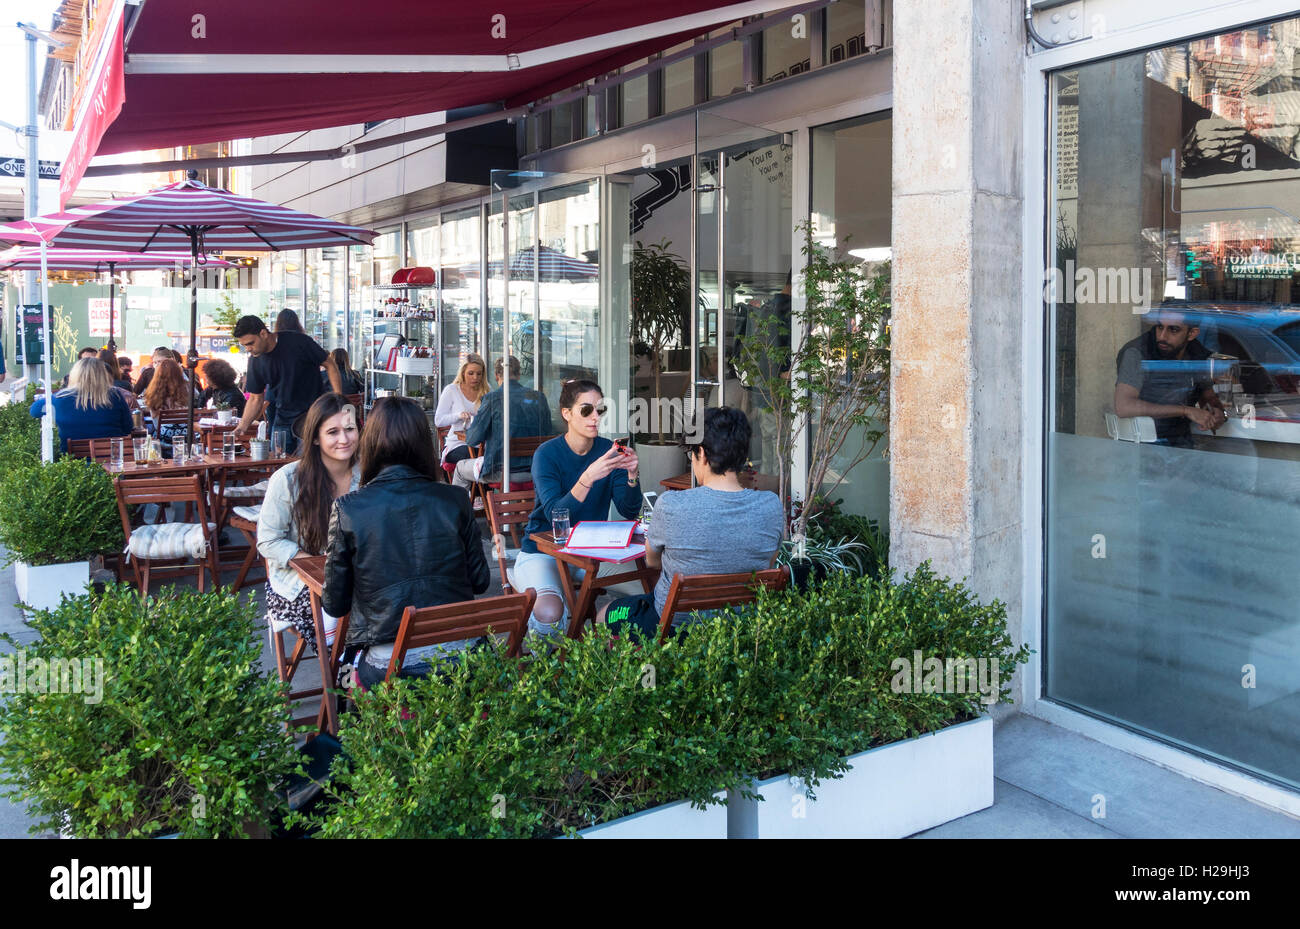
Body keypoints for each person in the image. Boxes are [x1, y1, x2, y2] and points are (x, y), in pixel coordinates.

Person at [321, 397, 490, 690]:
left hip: (389, 663)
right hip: (465, 655)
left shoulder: (349, 509)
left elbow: (335, 604)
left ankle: (355, 729)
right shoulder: (455, 499)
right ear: (424, 443)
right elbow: (480, 581)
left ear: (370, 444)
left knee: (345, 673)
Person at [599, 406, 784, 639]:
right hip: (738, 628)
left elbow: (652, 562)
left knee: (604, 614)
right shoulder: (770, 505)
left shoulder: (671, 505)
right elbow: (769, 561)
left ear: (702, 454)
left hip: (672, 625)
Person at [514, 379, 642, 636]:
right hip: (544, 551)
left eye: (600, 410)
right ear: (567, 413)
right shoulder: (546, 453)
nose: (595, 417)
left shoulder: (608, 449)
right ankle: (549, 670)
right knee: (549, 611)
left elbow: (629, 511)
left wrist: (632, 476)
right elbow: (554, 514)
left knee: (650, 589)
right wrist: (587, 478)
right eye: (586, 410)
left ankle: (607, 630)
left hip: (592, 552)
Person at [257, 393, 361, 650]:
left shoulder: (369, 475)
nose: (344, 439)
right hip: (297, 583)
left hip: (359, 578)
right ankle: (348, 677)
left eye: (350, 429)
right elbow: (268, 540)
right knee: (351, 617)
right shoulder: (288, 479)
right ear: (315, 437)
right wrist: (310, 563)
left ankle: (367, 673)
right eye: (333, 432)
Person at [1113, 308, 1226, 447]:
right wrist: (1186, 411)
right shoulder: (1138, 352)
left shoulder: (1196, 353)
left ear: (1192, 333)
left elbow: (1208, 396)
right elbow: (1124, 407)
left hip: (1181, 442)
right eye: (1160, 327)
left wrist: (1217, 411)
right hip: (1141, 444)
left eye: (1173, 330)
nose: (1162, 336)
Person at [232, 315, 341, 454]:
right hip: (282, 418)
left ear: (263, 334)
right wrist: (241, 427)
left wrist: (338, 397)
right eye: (244, 345)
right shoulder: (255, 361)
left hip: (312, 415)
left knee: (309, 465)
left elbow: (329, 364)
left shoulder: (298, 341)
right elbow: (255, 398)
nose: (248, 349)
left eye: (250, 343)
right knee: (279, 465)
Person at [454, 355, 551, 492]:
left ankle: (461, 513)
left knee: (459, 468)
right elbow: (547, 432)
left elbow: (472, 439)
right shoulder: (539, 398)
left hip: (501, 470)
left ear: (496, 375)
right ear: (519, 374)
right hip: (536, 469)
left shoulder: (492, 399)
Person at [29, 357, 132, 454]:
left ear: (74, 375)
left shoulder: (59, 398)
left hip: (74, 463)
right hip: (113, 460)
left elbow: (34, 411)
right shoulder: (115, 396)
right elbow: (127, 428)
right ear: (103, 375)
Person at [436, 353, 488, 469]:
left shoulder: (487, 390)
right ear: (463, 373)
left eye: (479, 374)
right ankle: (474, 487)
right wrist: (458, 415)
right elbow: (438, 421)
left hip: (482, 443)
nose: (475, 377)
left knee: (494, 455)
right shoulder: (452, 390)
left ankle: (475, 487)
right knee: (476, 457)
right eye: (471, 373)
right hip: (457, 444)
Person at [143, 358, 192, 455]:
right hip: (186, 437)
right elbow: (197, 397)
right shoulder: (187, 388)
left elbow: (155, 422)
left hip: (163, 438)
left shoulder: (153, 392)